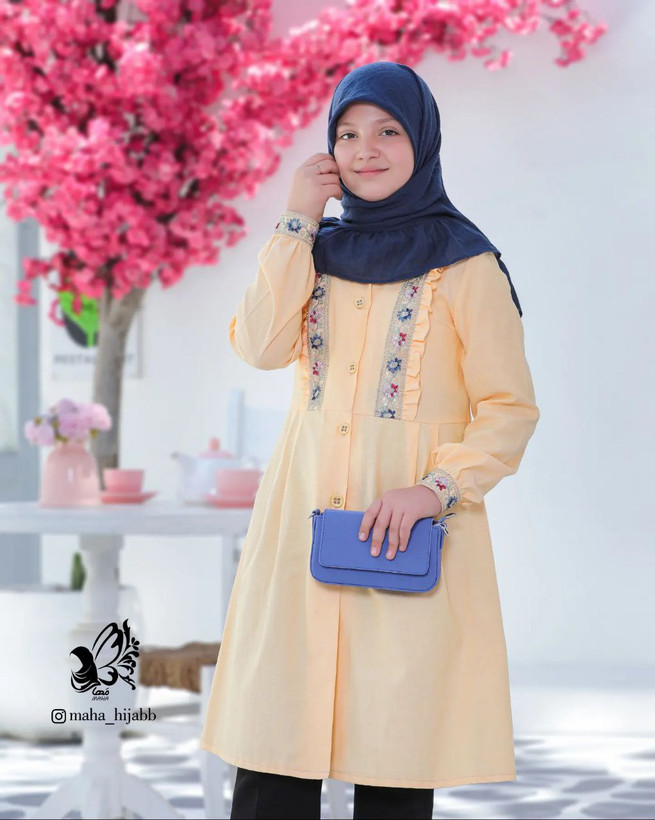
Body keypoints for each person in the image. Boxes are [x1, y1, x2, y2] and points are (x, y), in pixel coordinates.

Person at [200, 61, 540, 820]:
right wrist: (297, 219)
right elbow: (258, 345)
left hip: (404, 533)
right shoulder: (312, 251)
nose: (365, 150)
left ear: (422, 139)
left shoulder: (467, 264)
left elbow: (508, 407)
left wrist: (434, 489)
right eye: (347, 134)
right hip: (301, 528)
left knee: (393, 754)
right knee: (274, 749)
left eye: (387, 130)